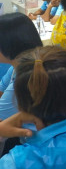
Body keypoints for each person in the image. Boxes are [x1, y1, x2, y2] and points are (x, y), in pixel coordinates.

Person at [0, 13, 43, 154]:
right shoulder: (19, 66)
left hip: (37, 145)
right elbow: (1, 90)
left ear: (8, 45)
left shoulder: (25, 79)